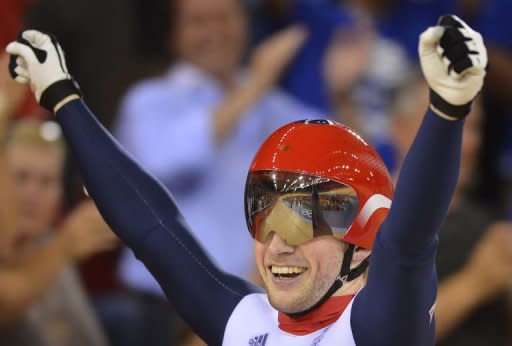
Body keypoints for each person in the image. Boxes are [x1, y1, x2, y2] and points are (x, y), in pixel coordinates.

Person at [6, 13, 487, 345]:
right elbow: (152, 229)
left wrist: (447, 110)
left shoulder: (379, 329)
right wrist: (63, 97)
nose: (275, 244)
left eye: (300, 218)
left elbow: (408, 244)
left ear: (363, 234)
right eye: (262, 213)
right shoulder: (247, 324)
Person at [390, 72, 512, 346]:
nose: (468, 143)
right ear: (398, 128)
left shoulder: (492, 229)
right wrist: (475, 283)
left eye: (474, 127)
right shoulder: (364, 224)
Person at [0, 118, 117, 346]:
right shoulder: (63, 245)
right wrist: (64, 247)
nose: (32, 195)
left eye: (47, 182)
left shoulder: (53, 242)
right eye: (21, 177)